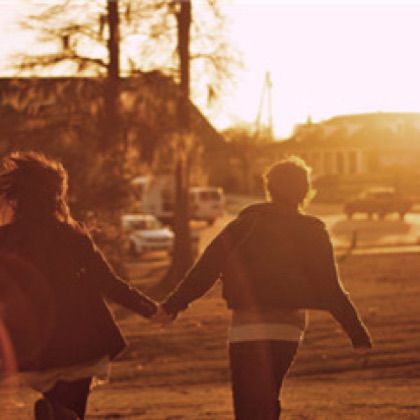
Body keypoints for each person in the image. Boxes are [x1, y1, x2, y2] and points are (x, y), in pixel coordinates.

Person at [159, 156, 372, 419]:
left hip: (247, 326)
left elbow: (206, 269)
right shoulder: (313, 230)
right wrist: (357, 334)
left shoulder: (244, 224)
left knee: (249, 405)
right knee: (267, 395)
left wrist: (172, 306)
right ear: (305, 191)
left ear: (269, 188)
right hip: (289, 328)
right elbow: (330, 287)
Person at [0, 151, 160, 420]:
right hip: (80, 340)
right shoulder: (72, 237)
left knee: (54, 397)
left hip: (34, 346)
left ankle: (54, 411)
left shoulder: (5, 239)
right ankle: (60, 414)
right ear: (55, 196)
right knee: (73, 407)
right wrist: (151, 309)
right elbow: (108, 283)